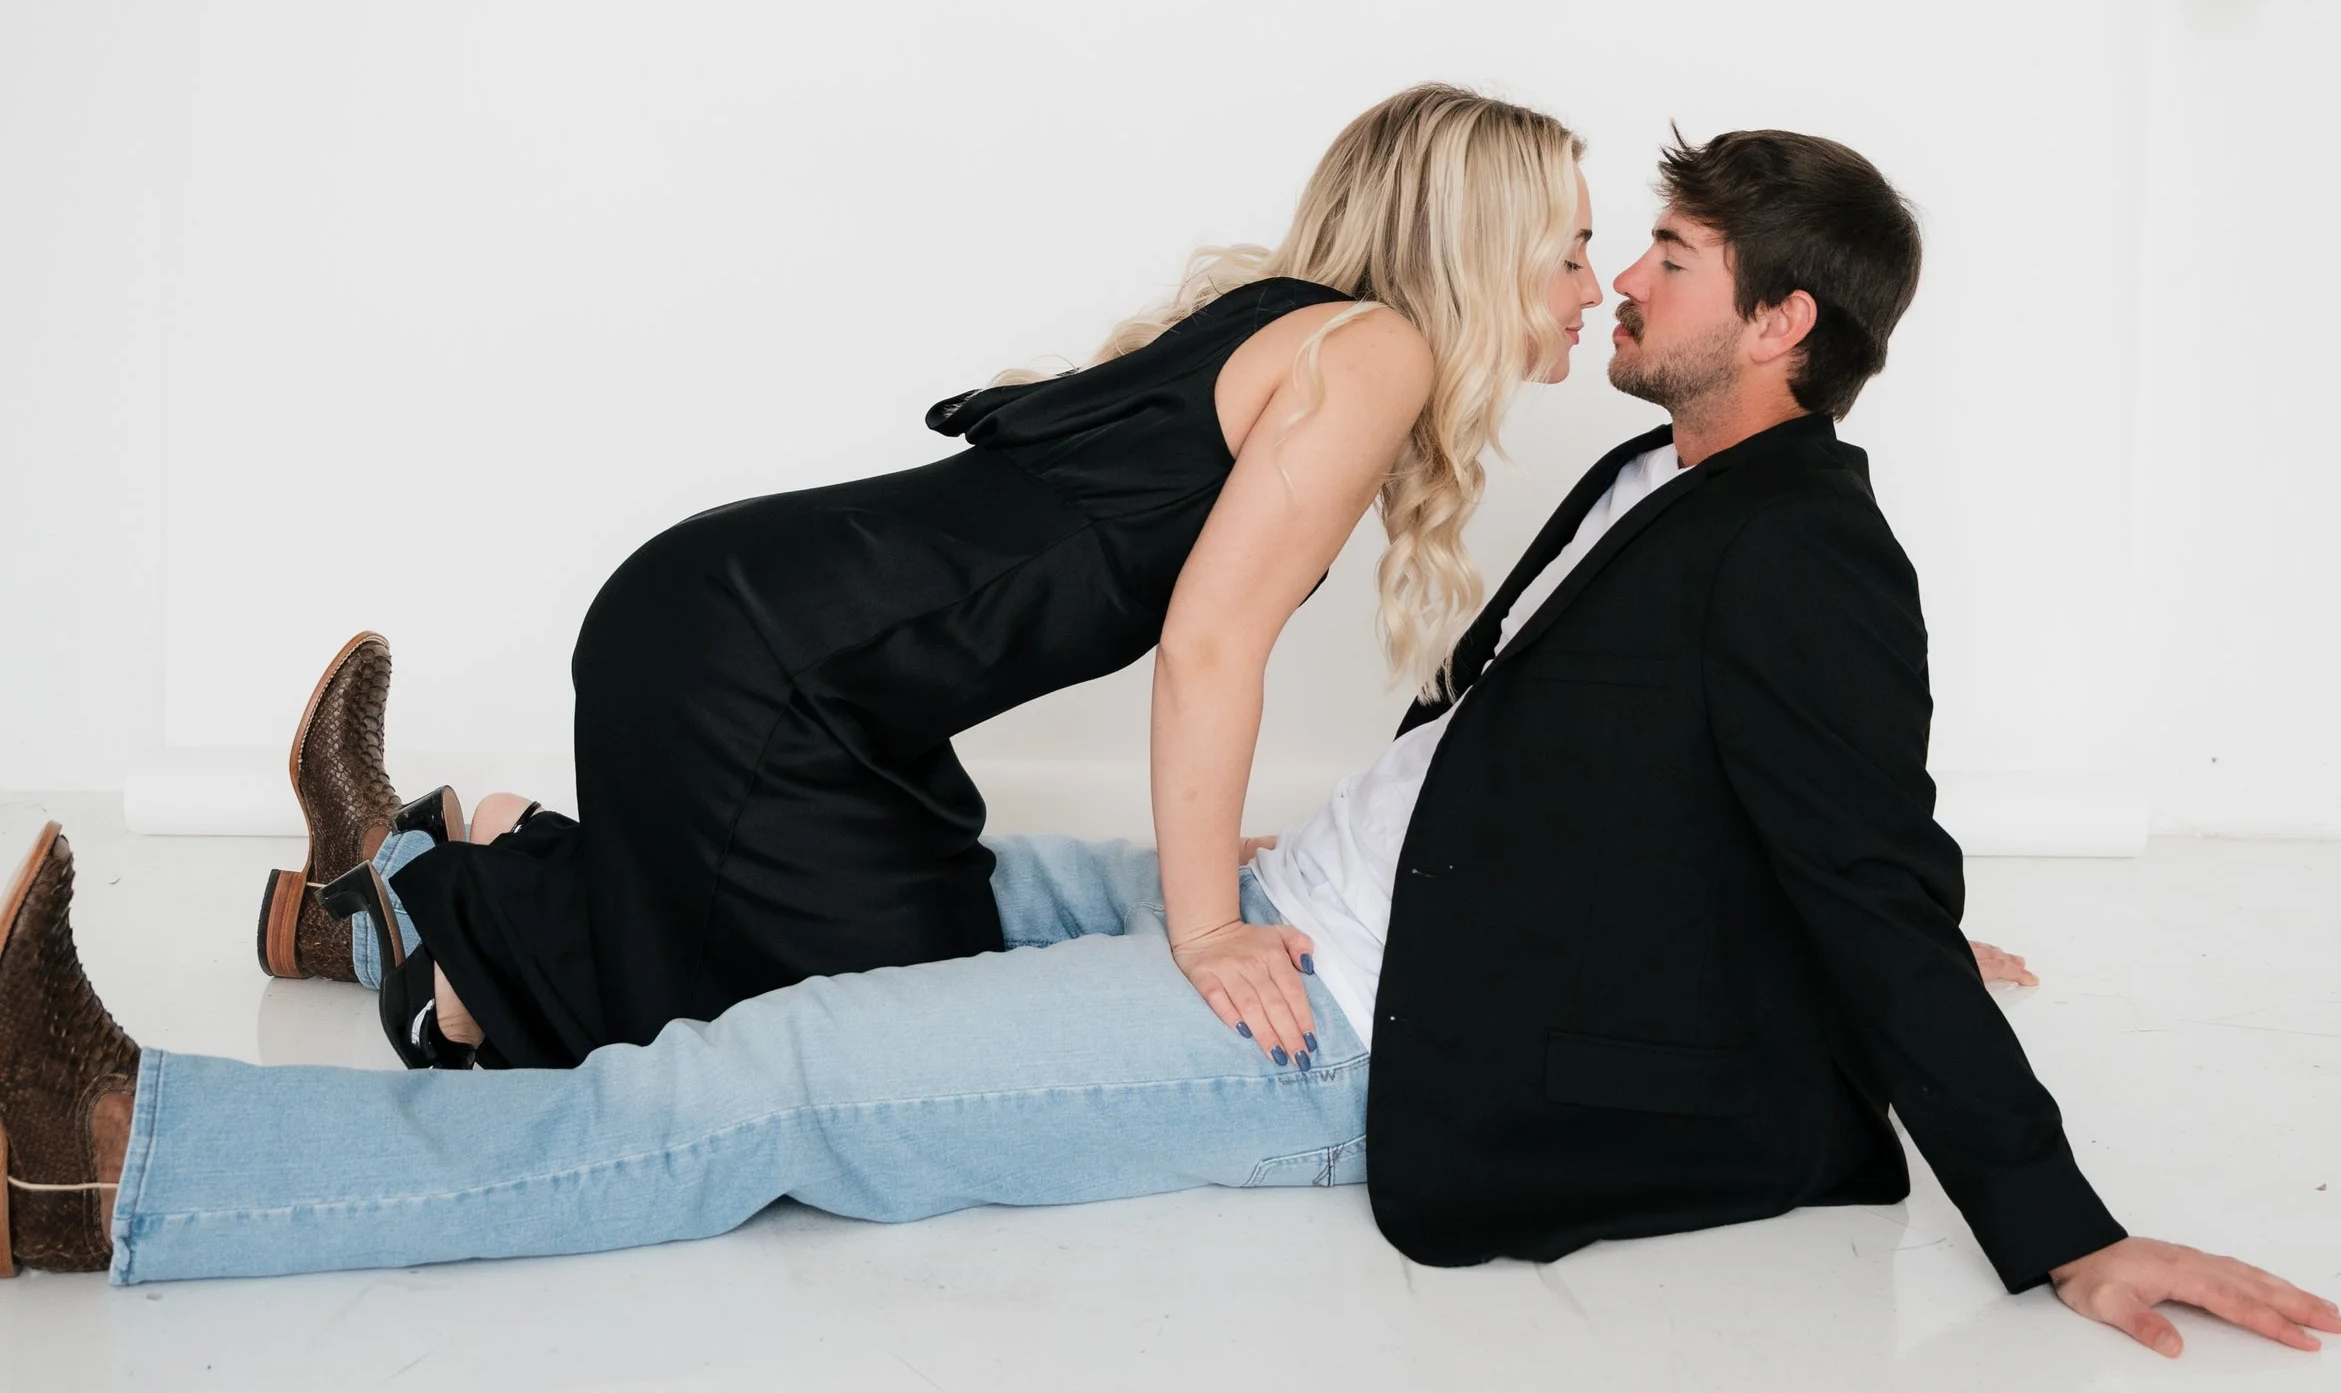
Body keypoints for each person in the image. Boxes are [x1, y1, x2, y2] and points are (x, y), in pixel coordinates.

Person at [0, 127, 2341, 1367]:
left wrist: (2055, 1231)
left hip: (1331, 1018)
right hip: (1303, 894)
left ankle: (122, 1168)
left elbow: (1847, 842)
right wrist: (1887, 917)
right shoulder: (1662, 477)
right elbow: (1785, 829)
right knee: (838, 897)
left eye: (1667, 261)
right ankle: (405, 912)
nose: (1617, 285)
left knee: (784, 1075)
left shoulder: (1806, 544)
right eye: (1621, 247)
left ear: (1784, 322)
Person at [252, 80, 1595, 1071]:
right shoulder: (1371, 353)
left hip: (789, 673)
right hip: (745, 666)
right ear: (1481, 249)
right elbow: (1209, 648)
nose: (1595, 286)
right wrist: (1206, 928)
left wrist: (1220, 855)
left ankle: (443, 859)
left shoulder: (1307, 326)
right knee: (827, 1026)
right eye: (1573, 247)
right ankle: (459, 918)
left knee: (924, 950)